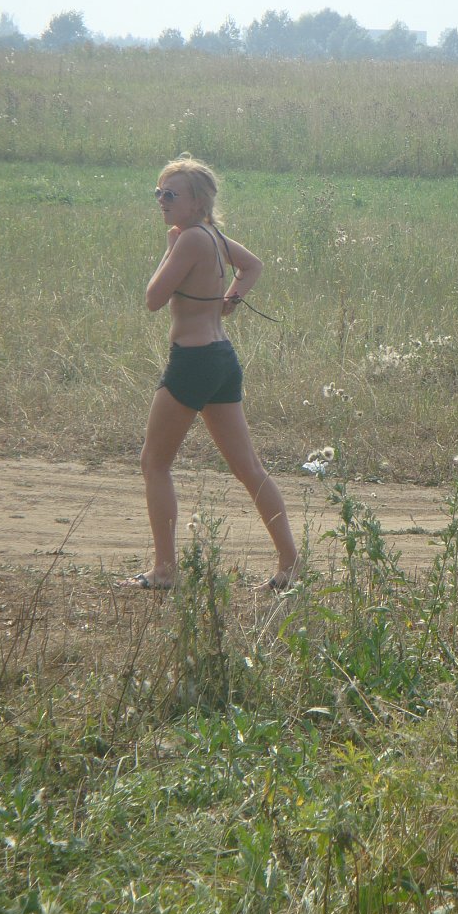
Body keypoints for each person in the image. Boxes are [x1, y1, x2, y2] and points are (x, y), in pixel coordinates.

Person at [119, 155, 300, 591]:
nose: (161, 200)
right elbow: (252, 265)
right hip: (221, 359)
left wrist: (169, 249)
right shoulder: (214, 236)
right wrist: (230, 299)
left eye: (171, 194)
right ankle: (290, 564)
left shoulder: (188, 240)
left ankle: (164, 570)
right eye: (158, 192)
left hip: (193, 362)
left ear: (197, 202)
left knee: (154, 462)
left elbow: (153, 299)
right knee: (249, 468)